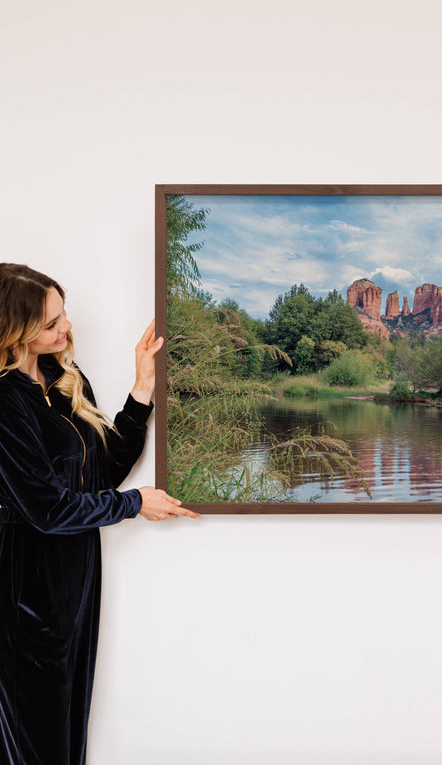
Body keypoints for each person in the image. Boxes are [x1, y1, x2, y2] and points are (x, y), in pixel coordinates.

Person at [0, 263, 198, 765]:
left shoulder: (60, 375)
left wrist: (143, 387)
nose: (66, 329)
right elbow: (46, 509)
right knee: (33, 738)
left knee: (65, 729)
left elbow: (102, 470)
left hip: (74, 579)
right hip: (22, 587)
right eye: (51, 323)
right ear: (13, 330)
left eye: (63, 315)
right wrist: (136, 504)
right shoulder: (4, 401)